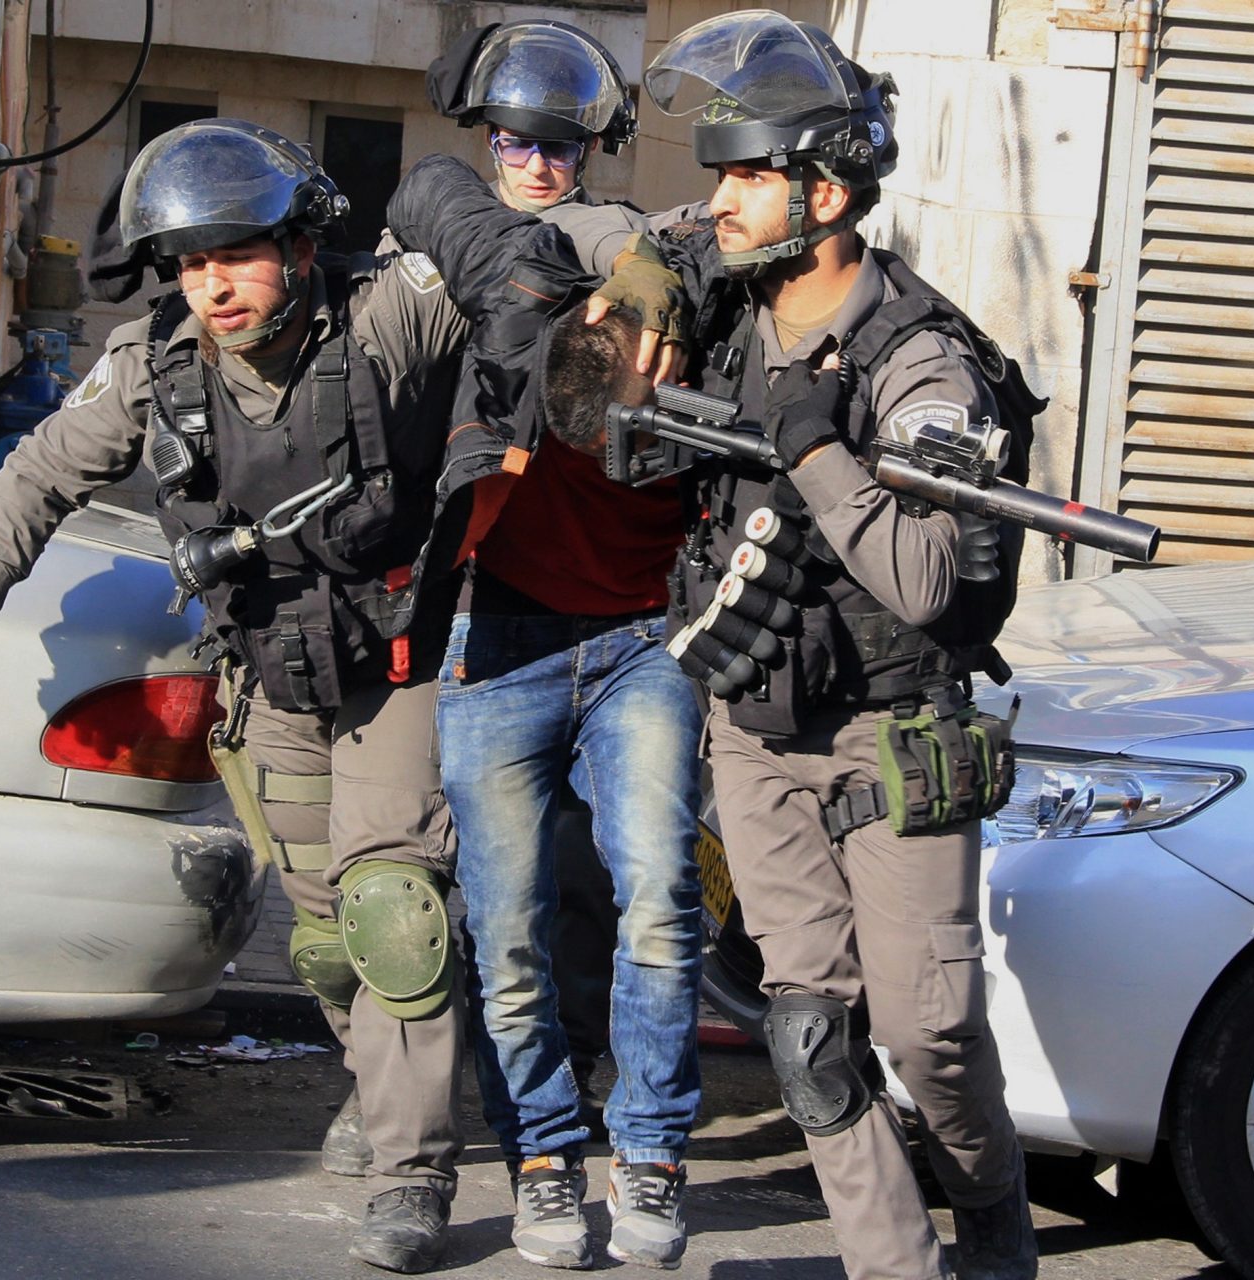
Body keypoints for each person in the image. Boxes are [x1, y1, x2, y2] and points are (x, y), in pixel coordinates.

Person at [0, 119, 470, 1275]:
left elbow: (537, 267)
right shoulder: (158, 359)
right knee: (329, 940)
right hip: (270, 674)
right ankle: (383, 1080)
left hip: (397, 666)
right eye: (192, 264)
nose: (214, 285)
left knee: (394, 908)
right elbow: (45, 466)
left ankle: (413, 1166)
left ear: (298, 245)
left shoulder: (388, 314)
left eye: (236, 255)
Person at [637, 12, 1041, 1280]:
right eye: (720, 175)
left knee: (931, 1038)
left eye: (748, 174)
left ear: (828, 186)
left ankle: (990, 1208)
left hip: (893, 729)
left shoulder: (920, 361)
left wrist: (815, 448)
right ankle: (895, 1265)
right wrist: (635, 290)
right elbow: (593, 360)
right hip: (755, 727)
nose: (722, 201)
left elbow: (929, 579)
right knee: (810, 1034)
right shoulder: (724, 309)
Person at [385, 145, 704, 1272]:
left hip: (645, 644)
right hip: (502, 637)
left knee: (660, 899)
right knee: (505, 925)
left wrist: (661, 261)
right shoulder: (529, 292)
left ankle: (654, 1148)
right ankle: (542, 1154)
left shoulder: (704, 323)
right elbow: (426, 186)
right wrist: (612, 255)